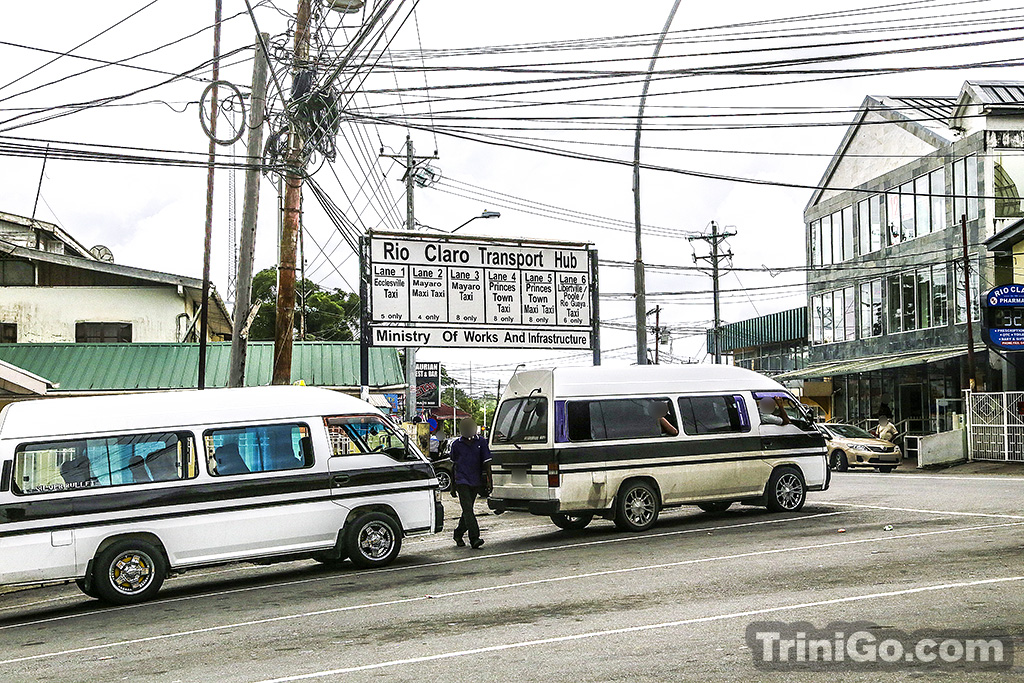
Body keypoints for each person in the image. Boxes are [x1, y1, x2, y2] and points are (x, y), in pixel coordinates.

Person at [449, 417, 491, 549]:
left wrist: (490, 480)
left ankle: (458, 533)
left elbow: (487, 462)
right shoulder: (456, 445)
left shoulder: (482, 442)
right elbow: (453, 465)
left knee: (468, 511)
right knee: (467, 509)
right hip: (461, 481)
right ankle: (475, 538)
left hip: (475, 481)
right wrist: (452, 486)